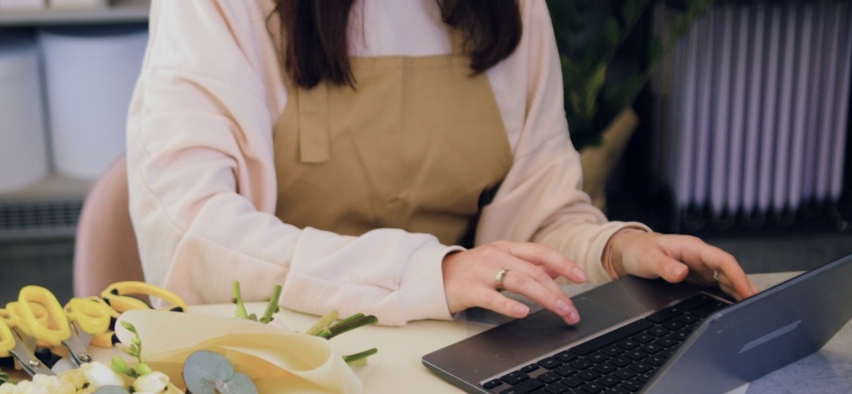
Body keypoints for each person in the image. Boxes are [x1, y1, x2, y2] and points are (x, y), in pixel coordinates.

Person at [126, 0, 756, 327]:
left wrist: (610, 253)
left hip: (449, 361)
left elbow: (535, 216)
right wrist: (427, 274)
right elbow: (192, 235)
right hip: (269, 376)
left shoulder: (509, 9)